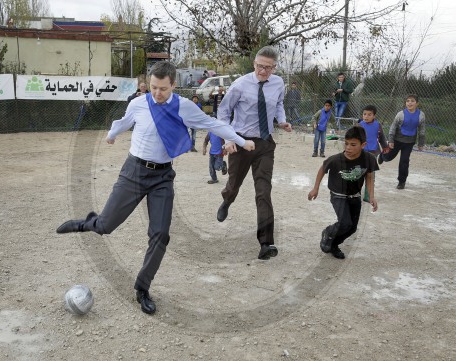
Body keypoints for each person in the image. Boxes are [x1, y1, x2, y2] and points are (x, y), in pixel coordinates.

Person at [56, 61, 255, 315]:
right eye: (153, 88)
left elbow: (213, 124)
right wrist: (112, 134)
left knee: (160, 234)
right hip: (134, 173)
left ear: (173, 85)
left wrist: (240, 139)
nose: (157, 93)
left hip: (162, 177)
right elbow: (124, 121)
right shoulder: (139, 103)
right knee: (106, 226)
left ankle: (142, 287)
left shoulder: (184, 107)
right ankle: (87, 223)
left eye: (163, 88)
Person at [215, 46, 292, 260]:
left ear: (274, 68)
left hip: (265, 144)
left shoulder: (278, 84)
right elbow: (223, 111)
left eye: (268, 68)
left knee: (263, 192)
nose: (263, 72)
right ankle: (227, 200)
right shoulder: (240, 85)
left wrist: (282, 120)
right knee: (234, 185)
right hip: (240, 142)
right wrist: (229, 139)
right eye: (260, 66)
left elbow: (278, 105)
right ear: (254, 64)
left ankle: (266, 243)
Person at [308, 126, 379, 259]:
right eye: (346, 143)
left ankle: (334, 244)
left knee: (351, 228)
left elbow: (369, 176)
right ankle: (328, 232)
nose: (348, 147)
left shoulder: (369, 159)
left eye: (353, 144)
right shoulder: (336, 159)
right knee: (345, 223)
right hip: (338, 196)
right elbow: (322, 169)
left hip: (355, 196)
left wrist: (371, 196)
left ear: (363, 145)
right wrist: (315, 188)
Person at [377, 94, 425, 190]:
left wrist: (421, 144)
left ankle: (401, 182)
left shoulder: (421, 115)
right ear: (405, 103)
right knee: (388, 157)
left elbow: (422, 130)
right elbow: (393, 127)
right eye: (408, 101)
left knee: (404, 161)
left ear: (417, 103)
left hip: (409, 142)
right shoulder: (401, 114)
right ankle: (382, 156)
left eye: (412, 101)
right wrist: (391, 140)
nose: (410, 103)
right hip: (397, 140)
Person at [358, 105, 388, 202]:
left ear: (374, 116)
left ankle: (368, 195)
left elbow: (382, 137)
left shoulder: (378, 125)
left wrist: (385, 147)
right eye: (364, 114)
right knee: (358, 173)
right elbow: (352, 137)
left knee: (370, 174)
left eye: (369, 114)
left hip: (373, 153)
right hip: (361, 153)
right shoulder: (359, 125)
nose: (366, 116)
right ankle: (356, 193)